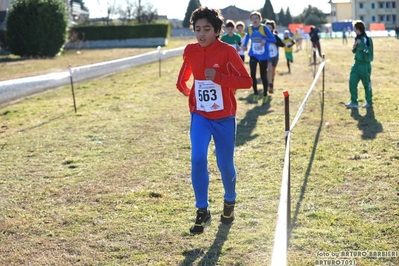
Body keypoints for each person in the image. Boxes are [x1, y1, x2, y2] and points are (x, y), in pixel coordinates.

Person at [175, 6, 252, 234]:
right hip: (200, 116)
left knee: (224, 164)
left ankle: (229, 202)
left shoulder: (227, 51)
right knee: (198, 158)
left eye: (207, 29)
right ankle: (202, 210)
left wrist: (219, 78)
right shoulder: (190, 50)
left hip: (224, 117)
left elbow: (246, 81)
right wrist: (192, 97)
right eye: (197, 29)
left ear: (217, 30)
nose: (201, 34)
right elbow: (182, 80)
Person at [242, 11, 276, 104]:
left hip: (263, 55)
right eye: (252, 18)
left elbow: (273, 39)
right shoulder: (249, 28)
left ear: (259, 19)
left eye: (256, 18)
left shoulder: (263, 28)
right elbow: (247, 37)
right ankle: (256, 93)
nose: (254, 20)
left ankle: (265, 94)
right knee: (252, 74)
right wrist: (244, 45)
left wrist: (265, 39)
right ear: (250, 20)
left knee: (263, 75)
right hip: (253, 54)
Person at [345, 20, 374, 109]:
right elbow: (355, 51)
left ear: (358, 29)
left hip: (365, 65)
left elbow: (368, 51)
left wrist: (360, 44)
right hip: (356, 64)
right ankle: (354, 102)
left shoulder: (367, 39)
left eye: (354, 27)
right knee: (352, 82)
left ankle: (369, 101)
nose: (353, 29)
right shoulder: (357, 38)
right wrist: (354, 48)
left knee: (366, 84)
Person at [265, 20, 285, 92]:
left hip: (275, 56)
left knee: (273, 71)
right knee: (269, 69)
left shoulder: (275, 36)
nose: (268, 29)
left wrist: (273, 41)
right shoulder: (263, 36)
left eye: (270, 27)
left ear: (272, 28)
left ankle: (271, 82)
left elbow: (282, 44)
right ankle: (269, 85)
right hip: (267, 56)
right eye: (267, 27)